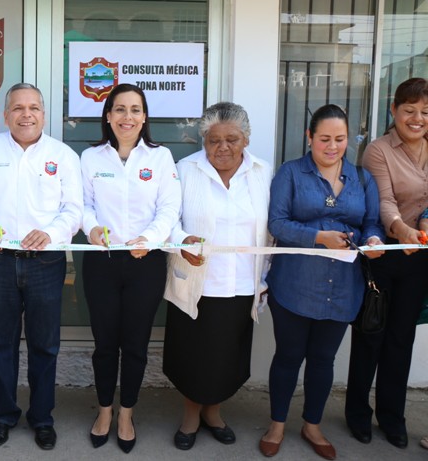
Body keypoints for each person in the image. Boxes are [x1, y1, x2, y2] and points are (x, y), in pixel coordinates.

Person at [260, 104, 385, 459]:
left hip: (343, 286)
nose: (332, 146)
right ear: (309, 137)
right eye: (324, 139)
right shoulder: (291, 173)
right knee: (288, 356)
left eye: (340, 139)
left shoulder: (362, 178)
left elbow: (372, 222)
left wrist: (373, 239)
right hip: (295, 283)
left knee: (323, 360)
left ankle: (312, 425)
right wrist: (319, 237)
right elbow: (277, 224)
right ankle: (277, 425)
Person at [0, 82, 82, 451]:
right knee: (0, 344)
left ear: (44, 115)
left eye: (33, 108)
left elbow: (74, 211)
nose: (26, 114)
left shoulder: (63, 155)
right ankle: (3, 416)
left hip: (45, 262)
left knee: (44, 345)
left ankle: (42, 418)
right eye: (18, 108)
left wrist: (50, 234)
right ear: (6, 115)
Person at [164, 102, 272, 451]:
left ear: (246, 139)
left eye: (232, 139)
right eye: (214, 140)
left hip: (242, 283)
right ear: (203, 140)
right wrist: (182, 241)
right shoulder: (185, 170)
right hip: (197, 283)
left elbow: (270, 231)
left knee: (228, 357)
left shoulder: (262, 172)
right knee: (193, 355)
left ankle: (213, 413)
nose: (222, 147)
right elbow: (167, 220)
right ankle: (190, 416)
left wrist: (265, 279)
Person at [80, 83, 181, 454]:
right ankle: (104, 411)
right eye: (120, 109)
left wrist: (149, 238)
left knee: (136, 345)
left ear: (144, 117)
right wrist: (92, 228)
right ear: (108, 116)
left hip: (145, 262)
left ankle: (126, 414)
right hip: (101, 262)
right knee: (105, 344)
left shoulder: (161, 157)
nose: (128, 117)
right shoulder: (91, 158)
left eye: (135, 109)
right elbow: (82, 205)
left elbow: (169, 208)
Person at [345, 77, 428, 449]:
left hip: (420, 258)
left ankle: (392, 418)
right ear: (394, 110)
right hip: (383, 252)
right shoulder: (378, 151)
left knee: (401, 338)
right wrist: (402, 229)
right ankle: (357, 414)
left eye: (425, 112)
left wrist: (425, 222)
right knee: (371, 335)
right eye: (409, 110)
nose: (417, 118)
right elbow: (384, 202)